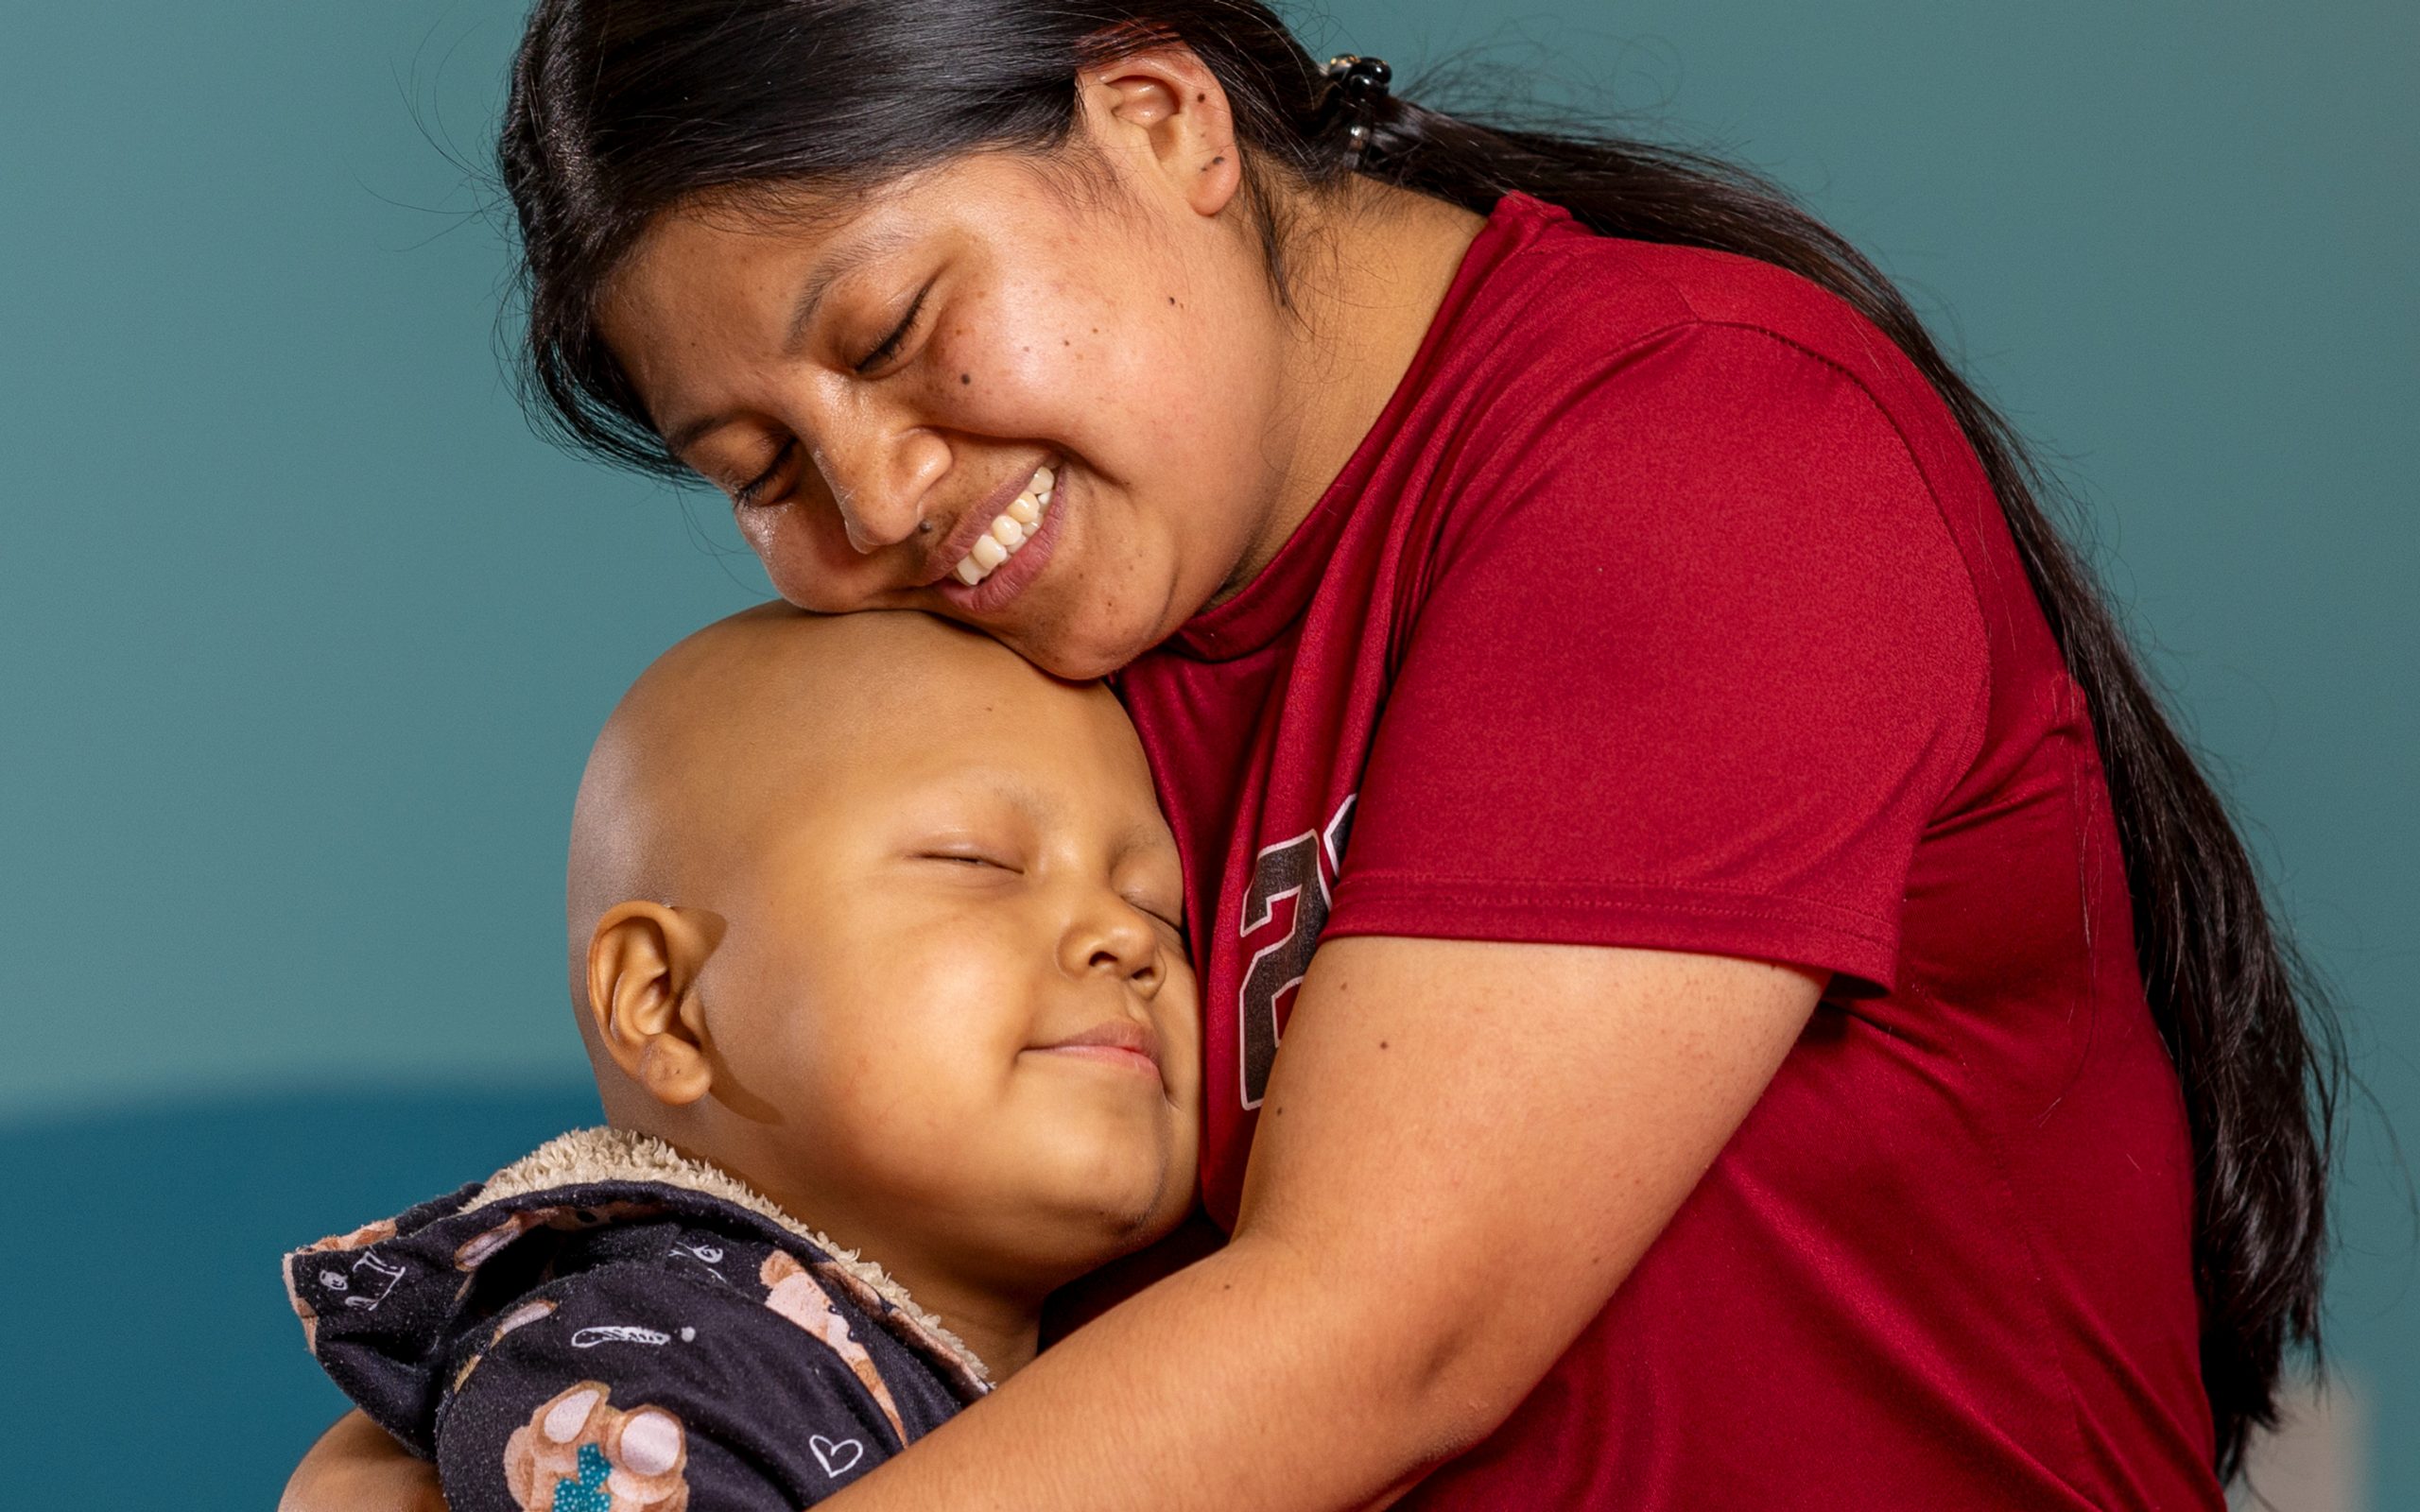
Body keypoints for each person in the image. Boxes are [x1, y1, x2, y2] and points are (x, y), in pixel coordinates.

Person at [288, 2, 2338, 1507]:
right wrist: (433, 1438)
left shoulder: (1694, 451)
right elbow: (777, 1235)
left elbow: (1386, 1327)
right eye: (761, 468)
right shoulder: (1039, 651)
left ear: (1159, 114)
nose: (881, 495)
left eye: (898, 333)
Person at [285, 606, 1200, 1509]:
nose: (1124, 936)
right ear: (667, 1004)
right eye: (977, 861)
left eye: (1158, 905)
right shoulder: (649, 1365)